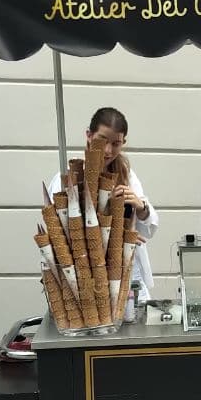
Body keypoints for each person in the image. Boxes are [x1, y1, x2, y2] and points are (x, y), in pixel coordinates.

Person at [49, 107, 159, 302]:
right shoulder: (67, 179)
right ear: (89, 136)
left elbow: (148, 230)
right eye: (102, 140)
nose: (108, 150)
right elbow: (60, 235)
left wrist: (141, 208)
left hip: (127, 277)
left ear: (123, 143)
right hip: (86, 282)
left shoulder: (127, 176)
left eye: (116, 144)